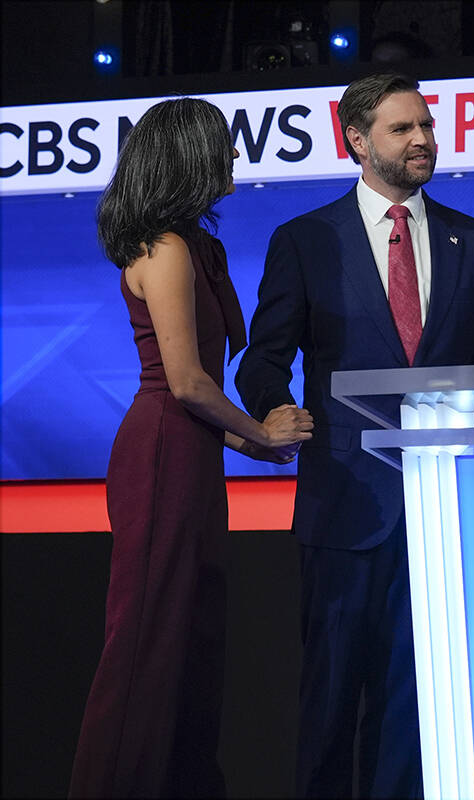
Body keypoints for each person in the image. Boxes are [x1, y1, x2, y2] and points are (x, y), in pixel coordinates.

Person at [235, 73, 474, 798]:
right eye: (403, 129)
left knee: (414, 711)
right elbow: (262, 360)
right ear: (358, 141)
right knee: (331, 703)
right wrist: (274, 410)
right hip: (346, 510)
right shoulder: (306, 240)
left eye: (426, 125)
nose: (423, 138)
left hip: (442, 513)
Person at [70, 97, 313, 798]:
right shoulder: (168, 251)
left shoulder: (191, 244)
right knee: (149, 642)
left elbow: (202, 390)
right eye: (224, 146)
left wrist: (250, 439)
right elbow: (185, 382)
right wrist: (259, 432)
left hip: (193, 452)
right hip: (162, 453)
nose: (236, 156)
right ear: (189, 156)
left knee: (192, 640)